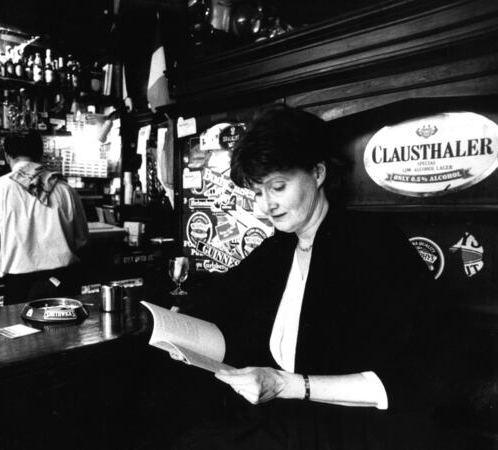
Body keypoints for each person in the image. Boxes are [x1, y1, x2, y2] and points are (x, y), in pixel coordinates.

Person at [177, 105, 439, 449]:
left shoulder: (374, 242)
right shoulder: (276, 251)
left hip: (348, 431)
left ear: (317, 173)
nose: (266, 205)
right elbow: (218, 304)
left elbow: (410, 376)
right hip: (277, 425)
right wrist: (179, 332)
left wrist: (289, 386)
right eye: (257, 192)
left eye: (278, 187)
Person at [0, 131, 89, 305]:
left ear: (7, 155)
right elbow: (81, 241)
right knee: (67, 330)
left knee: (21, 331)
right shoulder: (66, 190)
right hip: (63, 282)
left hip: (19, 286)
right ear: (41, 153)